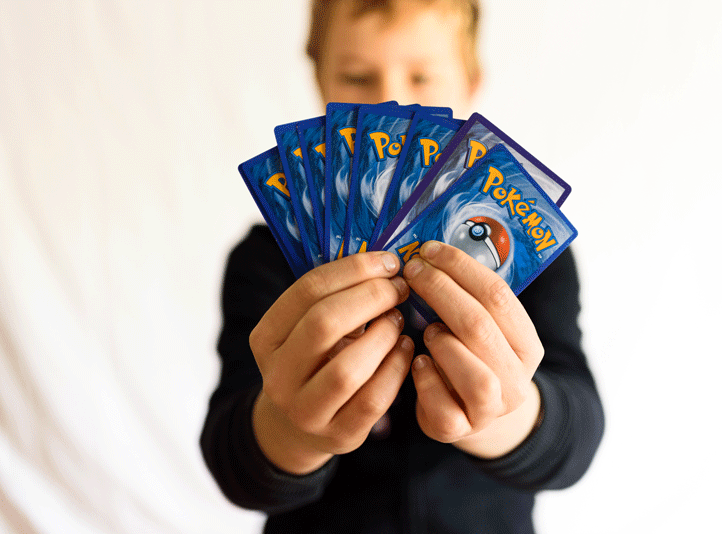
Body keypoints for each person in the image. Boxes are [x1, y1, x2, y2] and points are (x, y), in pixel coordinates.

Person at [200, 1, 604, 532]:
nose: (392, 100)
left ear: (471, 84)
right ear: (318, 79)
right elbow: (234, 462)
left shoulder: (529, 252)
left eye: (423, 75)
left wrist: (507, 413)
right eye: (357, 76)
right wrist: (295, 432)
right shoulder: (266, 257)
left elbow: (577, 432)